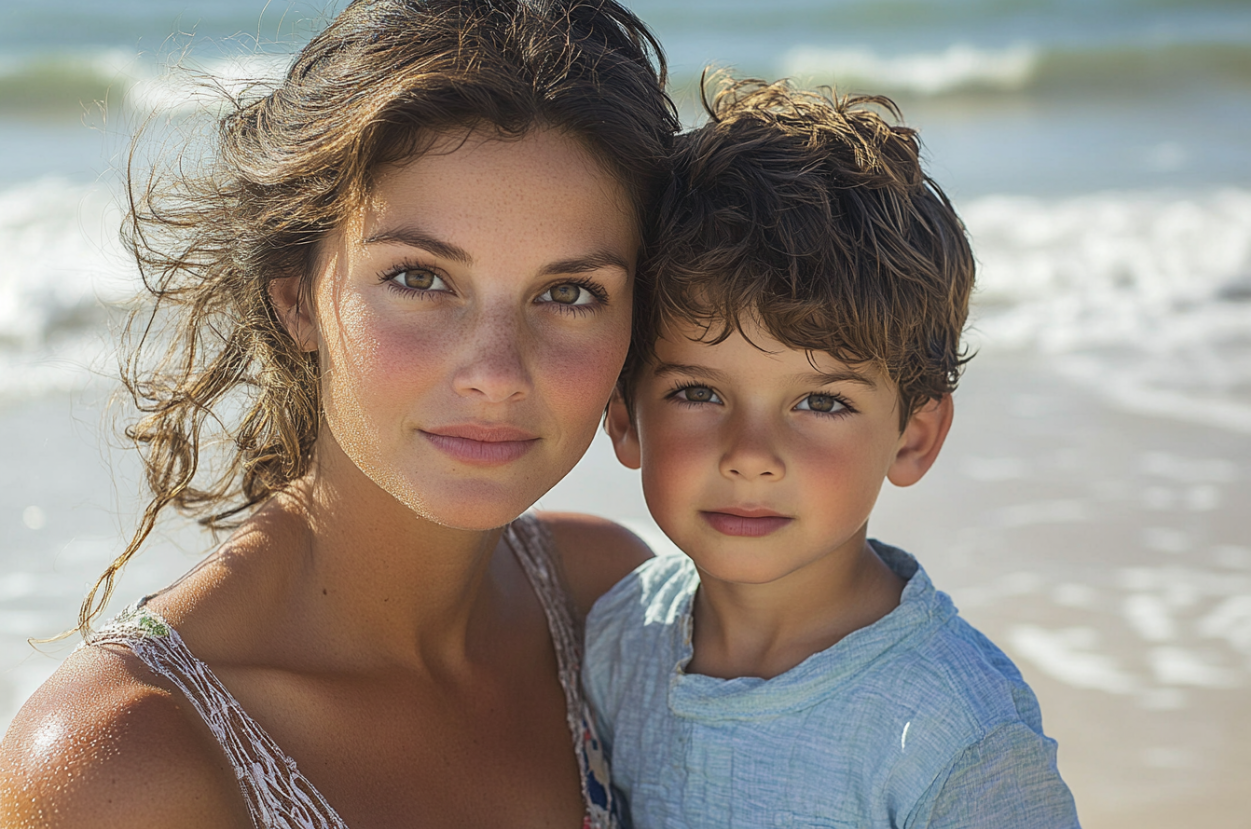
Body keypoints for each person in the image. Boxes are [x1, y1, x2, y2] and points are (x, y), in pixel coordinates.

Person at [0, 1, 679, 826]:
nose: (497, 373)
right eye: (419, 279)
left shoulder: (603, 602)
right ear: (297, 299)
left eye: (569, 293)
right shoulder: (125, 757)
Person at [582, 78, 1082, 827]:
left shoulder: (954, 731)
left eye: (821, 402)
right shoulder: (618, 643)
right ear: (623, 416)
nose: (750, 455)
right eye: (698, 393)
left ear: (913, 436)